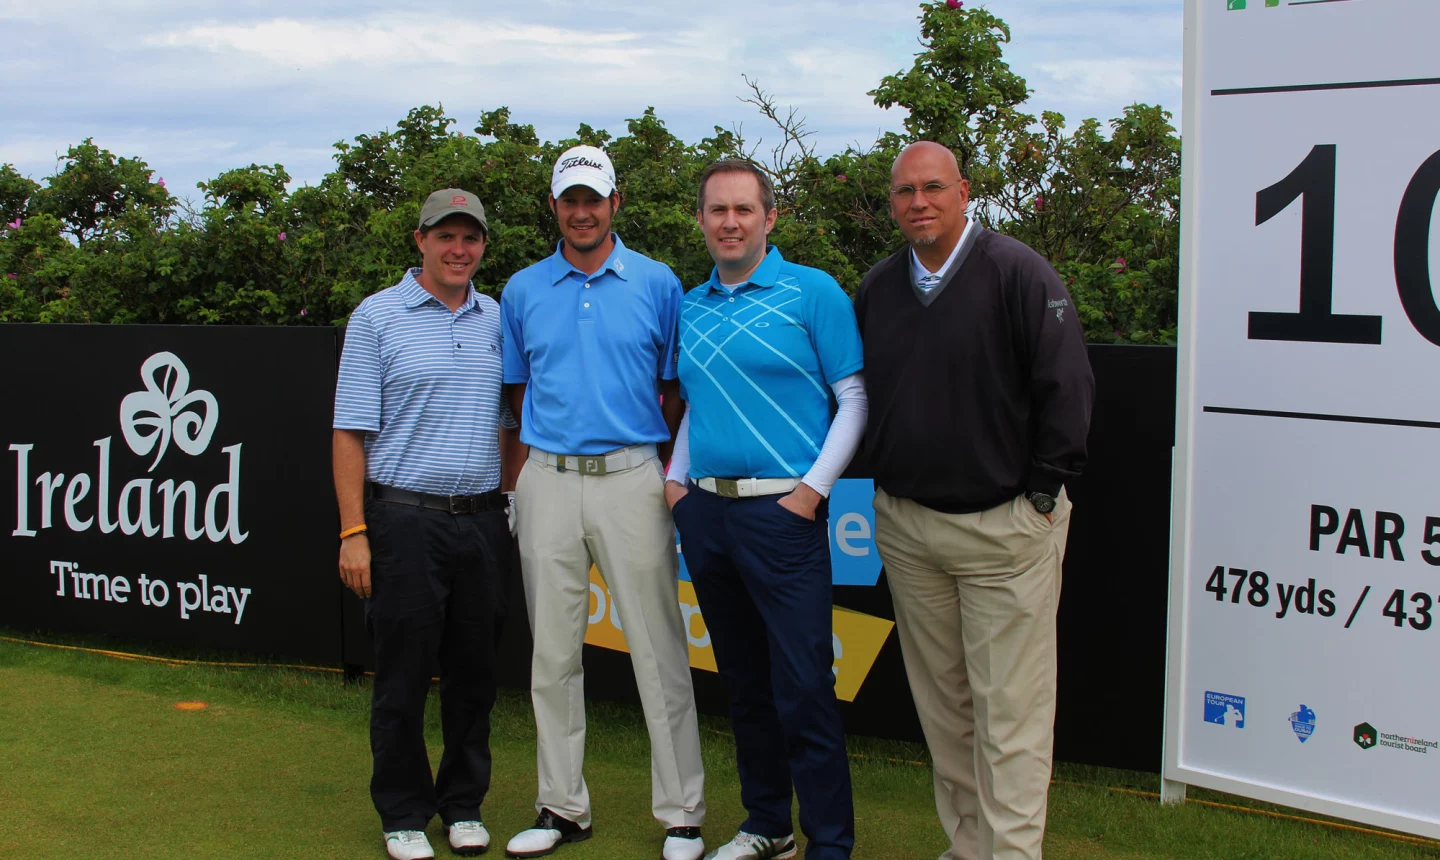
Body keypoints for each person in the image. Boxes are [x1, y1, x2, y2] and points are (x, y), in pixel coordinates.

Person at [854, 141, 1094, 860]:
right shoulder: (880, 287)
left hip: (1004, 531)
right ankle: (967, 848)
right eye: (904, 192)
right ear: (891, 201)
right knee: (946, 713)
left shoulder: (1018, 271)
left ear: (963, 192)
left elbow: (1068, 387)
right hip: (907, 527)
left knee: (1010, 715)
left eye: (932, 188)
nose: (918, 202)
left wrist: (1043, 493)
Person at [499, 146, 706, 860]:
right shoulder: (524, 289)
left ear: (616, 203)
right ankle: (561, 807)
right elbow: (518, 396)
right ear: (554, 208)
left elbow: (676, 393)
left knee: (658, 651)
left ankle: (682, 813)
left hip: (632, 479)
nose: (581, 212)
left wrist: (670, 477)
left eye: (594, 199)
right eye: (569, 200)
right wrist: (513, 488)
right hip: (547, 479)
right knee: (552, 656)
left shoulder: (658, 282)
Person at [664, 158, 866, 860]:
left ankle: (830, 843)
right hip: (709, 517)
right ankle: (767, 823)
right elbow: (696, 403)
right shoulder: (690, 304)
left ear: (769, 217)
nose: (729, 222)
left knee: (805, 687)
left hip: (785, 516)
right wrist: (675, 480)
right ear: (700, 219)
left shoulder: (813, 293)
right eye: (717, 210)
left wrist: (811, 493)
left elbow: (855, 399)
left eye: (743, 209)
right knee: (745, 684)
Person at [333, 188, 515, 860]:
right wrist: (354, 532)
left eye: (470, 239)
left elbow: (509, 424)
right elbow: (350, 432)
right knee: (403, 674)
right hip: (403, 520)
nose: (458, 249)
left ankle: (462, 804)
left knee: (474, 674)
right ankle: (403, 812)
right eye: (446, 237)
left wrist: (512, 495)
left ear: (483, 248)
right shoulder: (378, 318)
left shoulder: (499, 319)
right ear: (420, 240)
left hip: (482, 521)